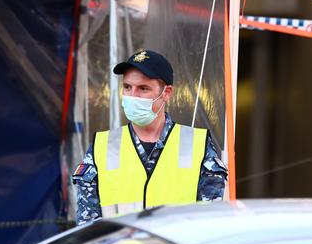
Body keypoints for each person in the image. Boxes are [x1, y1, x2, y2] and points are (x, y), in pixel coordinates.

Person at [73, 50, 227, 225]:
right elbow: (87, 225)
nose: (132, 96)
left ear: (167, 93)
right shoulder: (102, 146)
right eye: (127, 87)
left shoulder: (197, 145)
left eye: (143, 88)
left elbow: (210, 220)